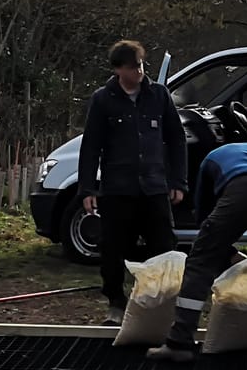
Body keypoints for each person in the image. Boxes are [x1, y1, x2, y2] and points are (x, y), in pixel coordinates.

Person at [146, 141, 247, 362]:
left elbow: (203, 215)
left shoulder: (210, 159)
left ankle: (179, 343)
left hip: (240, 190)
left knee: (200, 262)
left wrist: (226, 252)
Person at [78, 39, 187, 323]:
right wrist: (87, 188)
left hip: (154, 187)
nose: (139, 71)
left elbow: (176, 139)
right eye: (132, 67)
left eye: (140, 65)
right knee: (113, 248)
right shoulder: (103, 99)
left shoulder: (159, 95)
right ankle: (115, 301)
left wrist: (178, 181)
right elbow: (91, 146)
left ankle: (157, 304)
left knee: (163, 246)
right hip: (117, 188)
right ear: (118, 70)